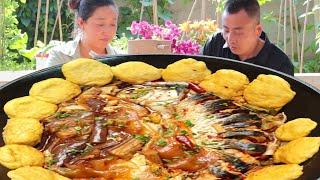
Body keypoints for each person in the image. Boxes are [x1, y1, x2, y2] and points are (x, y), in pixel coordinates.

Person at [202, 0, 294, 76]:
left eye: (238, 32)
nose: (230, 39)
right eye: (226, 30)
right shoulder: (214, 44)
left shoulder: (280, 65)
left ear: (257, 30)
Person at [45, 0, 120, 67]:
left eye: (113, 24)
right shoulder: (60, 57)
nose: (107, 31)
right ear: (81, 23)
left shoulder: (121, 60)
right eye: (100, 24)